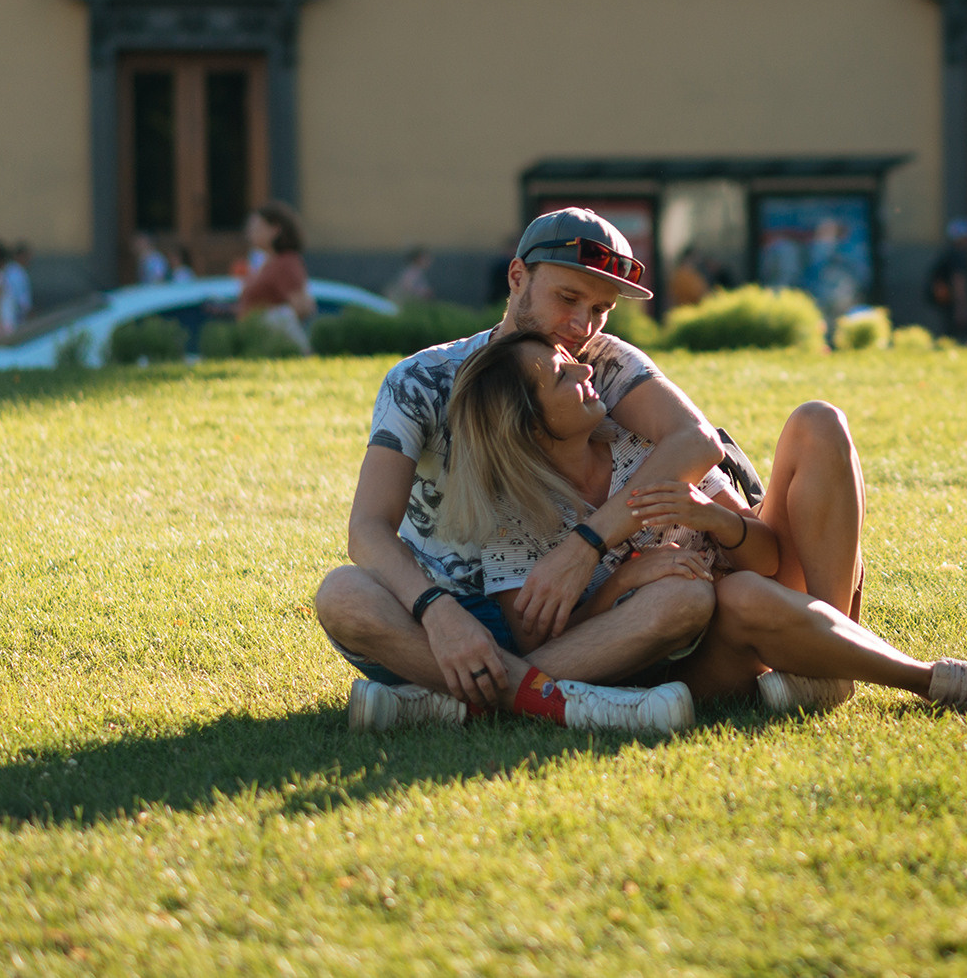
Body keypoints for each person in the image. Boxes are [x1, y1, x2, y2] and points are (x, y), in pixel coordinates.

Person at [311, 207, 871, 732]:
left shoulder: (602, 363)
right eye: (568, 297)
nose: (582, 325)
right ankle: (547, 697)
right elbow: (369, 529)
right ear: (516, 277)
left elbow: (697, 441)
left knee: (690, 591)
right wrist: (437, 613)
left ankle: (455, 703)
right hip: (440, 618)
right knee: (343, 593)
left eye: (601, 309)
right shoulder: (421, 379)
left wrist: (585, 547)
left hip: (573, 617)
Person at [448, 330, 967, 715]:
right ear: (528, 425)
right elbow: (541, 657)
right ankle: (932, 680)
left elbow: (762, 556)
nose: (585, 371)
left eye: (572, 362)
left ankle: (829, 661)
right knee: (725, 596)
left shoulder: (640, 449)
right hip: (678, 668)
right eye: (562, 375)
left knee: (819, 422)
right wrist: (625, 585)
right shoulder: (513, 522)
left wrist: (718, 519)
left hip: (756, 603)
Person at [237, 200, 316, 352]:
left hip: (273, 346)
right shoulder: (266, 262)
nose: (250, 232)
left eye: (257, 227)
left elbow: (301, 307)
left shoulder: (285, 262)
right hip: (256, 342)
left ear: (275, 230)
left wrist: (271, 321)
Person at [927, 219, 967, 342]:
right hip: (951, 301)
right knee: (961, 335)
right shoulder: (958, 255)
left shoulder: (948, 253)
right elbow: (958, 281)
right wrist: (961, 307)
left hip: (946, 301)